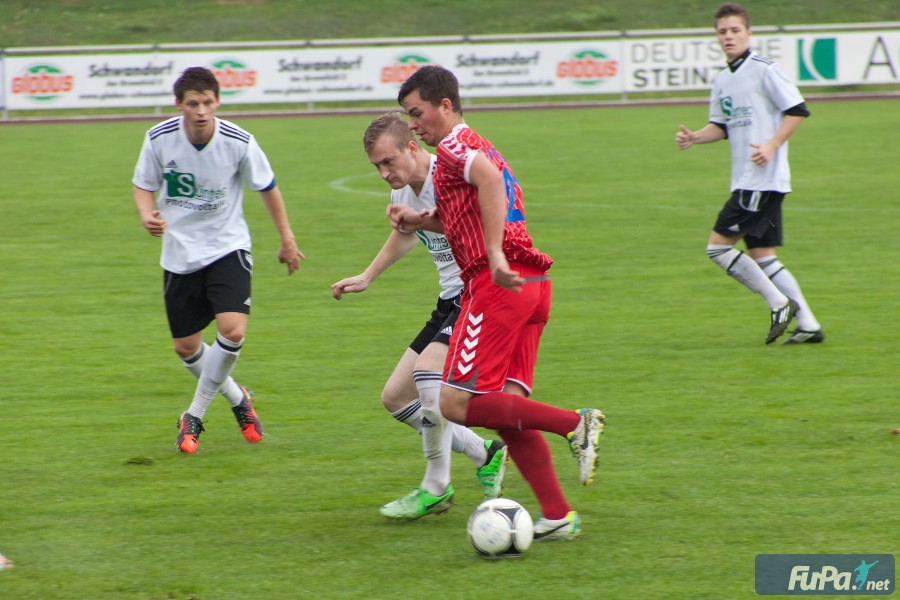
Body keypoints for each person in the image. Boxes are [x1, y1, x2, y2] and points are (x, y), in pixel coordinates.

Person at [390, 65, 605, 541]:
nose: (414, 126)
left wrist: (492, 253)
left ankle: (575, 424)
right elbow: (465, 211)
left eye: (417, 114)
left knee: (455, 402)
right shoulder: (479, 144)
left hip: (497, 285)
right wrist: (419, 220)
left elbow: (488, 182)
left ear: (445, 106)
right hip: (532, 284)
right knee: (507, 412)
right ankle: (557, 515)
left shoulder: (453, 146)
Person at [331, 112, 508, 519]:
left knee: (428, 376)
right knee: (395, 398)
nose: (383, 173)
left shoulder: (450, 176)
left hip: (478, 291)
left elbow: (479, 216)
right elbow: (405, 233)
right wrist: (367, 276)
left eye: (388, 162)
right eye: (376, 166)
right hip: (450, 300)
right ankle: (486, 453)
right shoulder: (404, 193)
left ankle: (436, 486)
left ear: (412, 148)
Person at [132, 67, 304, 454]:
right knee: (185, 347)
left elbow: (268, 187)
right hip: (179, 254)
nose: (201, 111)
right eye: (193, 103)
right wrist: (146, 215)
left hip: (228, 246)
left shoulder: (238, 141)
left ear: (218, 102)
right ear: (179, 104)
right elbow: (143, 184)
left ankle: (193, 415)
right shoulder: (159, 138)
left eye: (208, 103)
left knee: (233, 331)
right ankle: (239, 399)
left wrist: (287, 239)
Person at [675, 3, 823, 345]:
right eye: (722, 32)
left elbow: (797, 110)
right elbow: (721, 126)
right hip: (749, 180)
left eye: (735, 30)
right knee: (763, 257)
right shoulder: (722, 78)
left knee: (717, 249)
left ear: (748, 33)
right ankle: (809, 326)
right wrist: (695, 137)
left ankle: (779, 303)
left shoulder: (765, 70)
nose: (728, 36)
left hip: (761, 180)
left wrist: (771, 145)